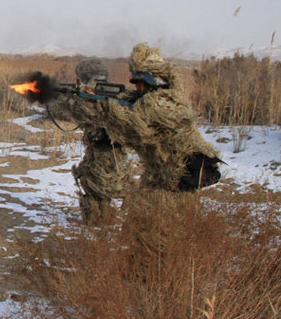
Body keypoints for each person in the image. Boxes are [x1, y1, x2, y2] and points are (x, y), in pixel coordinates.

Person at [100, 43, 221, 192]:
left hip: (178, 172)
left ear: (153, 82)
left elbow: (133, 129)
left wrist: (108, 107)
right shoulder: (164, 98)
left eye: (140, 83)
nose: (137, 87)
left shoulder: (158, 101)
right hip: (165, 172)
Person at [49, 58, 132, 224]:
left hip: (106, 153)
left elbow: (78, 112)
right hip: (114, 155)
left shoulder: (100, 97)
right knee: (100, 183)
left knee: (95, 184)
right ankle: (102, 221)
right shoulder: (111, 93)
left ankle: (97, 224)